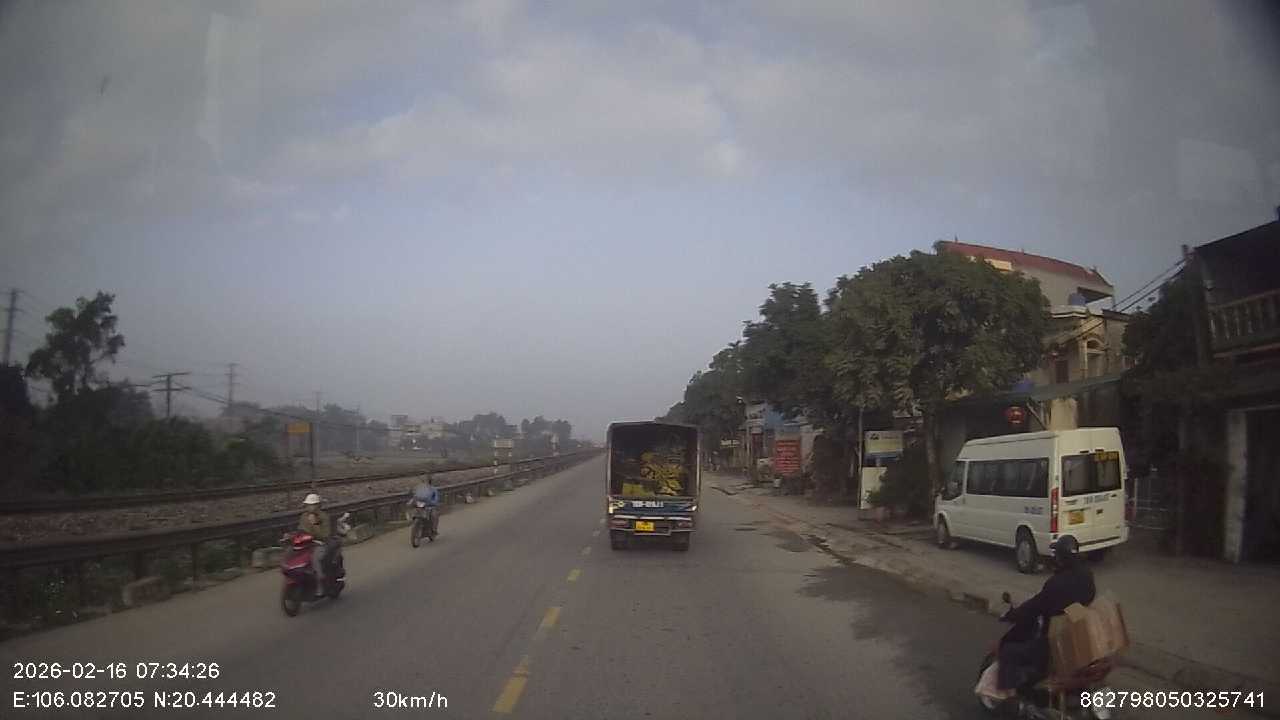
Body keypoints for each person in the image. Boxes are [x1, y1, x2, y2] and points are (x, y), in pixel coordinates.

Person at [996, 536, 1097, 691]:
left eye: (1056, 555)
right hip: (1077, 634)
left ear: (1061, 558)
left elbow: (1034, 607)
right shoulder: (1087, 576)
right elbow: (1089, 598)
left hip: (1054, 645)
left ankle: (1008, 697)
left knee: (1009, 652)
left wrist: (1013, 614)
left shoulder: (1055, 584)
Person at [298, 493, 332, 596]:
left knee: (315, 559)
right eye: (308, 505)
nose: (310, 507)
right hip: (305, 543)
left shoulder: (324, 517)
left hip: (320, 544)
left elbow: (325, 535)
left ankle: (320, 583)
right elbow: (300, 529)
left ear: (318, 505)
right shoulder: (304, 516)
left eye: (313, 505)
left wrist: (315, 524)